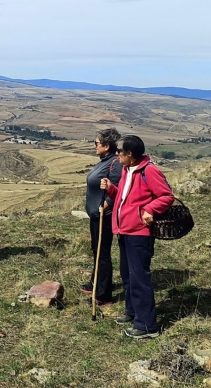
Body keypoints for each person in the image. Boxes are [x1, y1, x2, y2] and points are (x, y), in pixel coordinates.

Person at [100, 135, 174, 339]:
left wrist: (149, 209)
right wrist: (111, 189)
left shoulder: (149, 171)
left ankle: (147, 326)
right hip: (124, 230)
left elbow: (167, 196)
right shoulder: (127, 169)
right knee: (127, 275)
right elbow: (124, 198)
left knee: (140, 277)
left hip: (139, 233)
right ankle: (132, 312)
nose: (116, 154)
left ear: (130, 154)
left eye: (119, 151)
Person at [81, 128, 122, 305]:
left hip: (104, 216)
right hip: (97, 215)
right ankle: (96, 283)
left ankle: (103, 295)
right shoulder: (105, 160)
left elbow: (117, 192)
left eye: (96, 143)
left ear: (106, 146)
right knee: (96, 251)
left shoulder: (115, 164)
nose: (94, 146)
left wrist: (101, 209)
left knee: (102, 253)